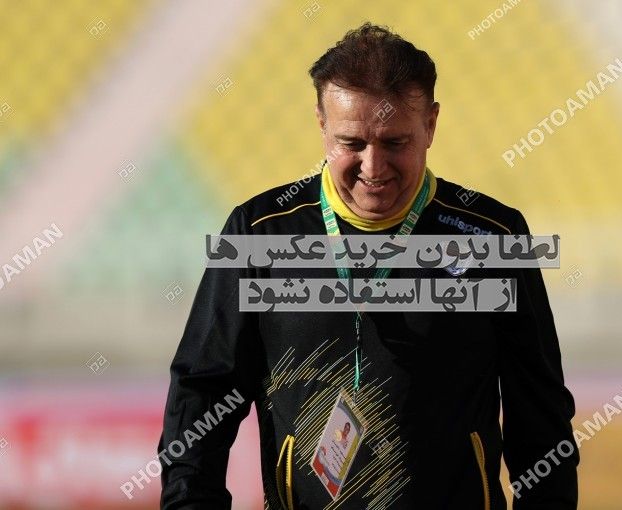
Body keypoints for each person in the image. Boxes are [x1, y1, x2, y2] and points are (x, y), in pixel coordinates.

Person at [159, 22, 578, 510]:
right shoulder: (259, 233)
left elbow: (540, 416)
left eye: (395, 142)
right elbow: (202, 395)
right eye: (352, 143)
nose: (373, 168)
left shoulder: (493, 237)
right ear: (321, 124)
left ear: (431, 125)